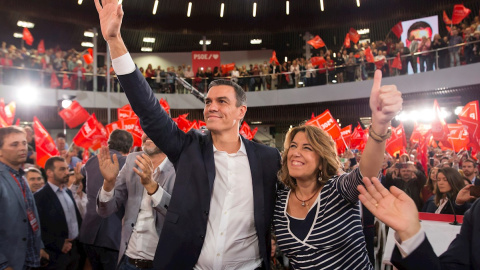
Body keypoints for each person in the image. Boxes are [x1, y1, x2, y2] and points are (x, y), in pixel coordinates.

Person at [94, 1, 281, 268]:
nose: (212, 107)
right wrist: (114, 40)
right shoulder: (189, 148)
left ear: (242, 111)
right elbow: (147, 107)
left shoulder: (268, 158)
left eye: (222, 102)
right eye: (208, 101)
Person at [273, 70, 402, 269]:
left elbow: (365, 174)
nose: (295, 153)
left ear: (322, 159)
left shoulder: (338, 190)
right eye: (293, 146)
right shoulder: (280, 199)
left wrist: (380, 124)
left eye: (307, 148)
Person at [358, 176, 479, 269]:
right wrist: (410, 232)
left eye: (445, 179)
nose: (441, 182)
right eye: (439, 179)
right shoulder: (476, 211)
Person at [96, 134, 176, 268]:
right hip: (127, 260)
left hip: (161, 263)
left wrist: (152, 186)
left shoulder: (180, 164)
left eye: (153, 128)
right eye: (145, 129)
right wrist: (109, 183)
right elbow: (106, 210)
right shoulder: (133, 159)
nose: (148, 134)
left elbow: (178, 216)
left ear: (165, 130)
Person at [77, 129, 133, 270]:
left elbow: (80, 172)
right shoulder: (128, 163)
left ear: (109, 142)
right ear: (129, 147)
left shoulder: (92, 161)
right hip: (112, 235)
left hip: (88, 232)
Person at [0, 126, 48, 270]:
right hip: (9, 261)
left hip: (29, 258)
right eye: (14, 144)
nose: (22, 148)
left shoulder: (20, 176)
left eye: (24, 143)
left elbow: (29, 214)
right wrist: (2, 263)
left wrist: (39, 246)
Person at [34, 157, 83, 270]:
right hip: (55, 254)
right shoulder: (39, 197)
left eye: (67, 168)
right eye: (62, 169)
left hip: (75, 251)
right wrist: (59, 243)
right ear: (49, 172)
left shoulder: (67, 192)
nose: (67, 172)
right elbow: (36, 229)